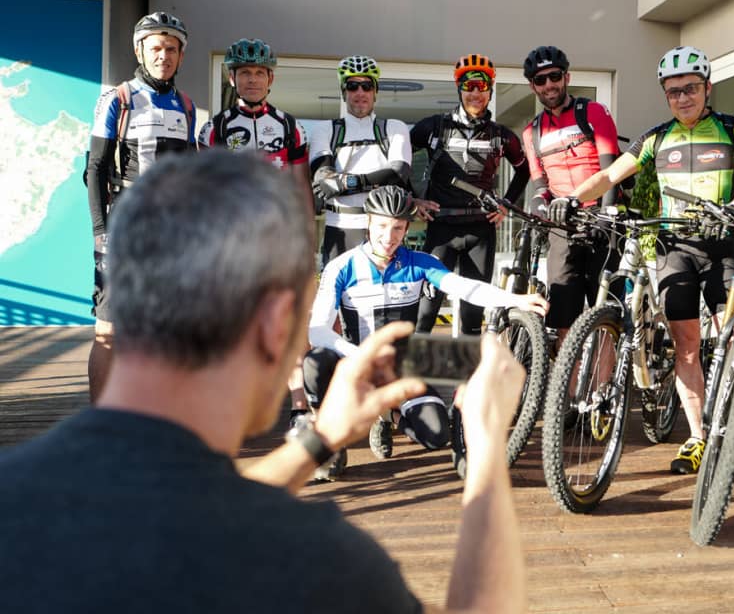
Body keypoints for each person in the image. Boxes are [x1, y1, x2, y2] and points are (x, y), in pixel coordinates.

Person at [0, 151, 528, 613]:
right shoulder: (321, 563)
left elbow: (186, 513)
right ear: (278, 324)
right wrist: (484, 440)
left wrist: (319, 439)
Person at [551, 45, 734, 477]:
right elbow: (609, 175)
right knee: (686, 347)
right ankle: (699, 435)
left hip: (720, 245)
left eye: (690, 89)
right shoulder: (656, 137)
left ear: (707, 88)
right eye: (673, 92)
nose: (683, 98)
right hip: (675, 251)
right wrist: (571, 200)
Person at [303, 185, 547, 477]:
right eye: (381, 226)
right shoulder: (342, 266)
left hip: (405, 362)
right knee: (314, 363)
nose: (388, 237)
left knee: (436, 435)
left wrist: (515, 299)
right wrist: (359, 355)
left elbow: (466, 287)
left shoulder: (420, 263)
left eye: (397, 228)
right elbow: (317, 331)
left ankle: (388, 413)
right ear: (368, 221)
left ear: (407, 227)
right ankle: (327, 442)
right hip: (355, 363)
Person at [198, 37, 313, 427]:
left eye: (258, 73)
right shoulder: (214, 129)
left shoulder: (289, 126)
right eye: (244, 73)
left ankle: (299, 407)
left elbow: (300, 187)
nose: (251, 80)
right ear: (232, 78)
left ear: (270, 79)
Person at [84, 11, 197, 404]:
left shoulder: (186, 104)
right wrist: (101, 233)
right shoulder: (118, 98)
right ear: (139, 51)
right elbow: (95, 168)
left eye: (170, 49)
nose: (162, 55)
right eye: (155, 48)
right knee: (110, 331)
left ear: (181, 56)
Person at [410, 53, 530, 335]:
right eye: (468, 86)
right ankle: (414, 378)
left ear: (490, 90)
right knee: (424, 314)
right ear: (459, 88)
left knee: (472, 317)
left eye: (481, 86)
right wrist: (413, 200)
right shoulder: (434, 127)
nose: (475, 93)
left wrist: (506, 204)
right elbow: (400, 160)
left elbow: (524, 171)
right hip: (441, 229)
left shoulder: (502, 135)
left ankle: (466, 379)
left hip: (481, 231)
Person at [521, 45, 621, 345]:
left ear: (566, 77)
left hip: (601, 217)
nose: (549, 85)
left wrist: (607, 216)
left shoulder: (592, 112)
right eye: (541, 80)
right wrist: (538, 202)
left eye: (554, 77)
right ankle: (570, 386)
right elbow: (540, 184)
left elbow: (610, 171)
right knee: (564, 315)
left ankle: (603, 390)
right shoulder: (531, 131)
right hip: (562, 226)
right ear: (532, 86)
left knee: (605, 315)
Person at [309, 55, 412, 269]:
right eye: (352, 86)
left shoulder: (394, 128)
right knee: (337, 300)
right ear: (343, 92)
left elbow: (398, 174)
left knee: (384, 299)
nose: (360, 93)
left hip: (384, 231)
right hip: (339, 226)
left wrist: (345, 183)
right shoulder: (325, 129)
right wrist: (375, 179)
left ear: (375, 91)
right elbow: (324, 182)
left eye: (366, 86)